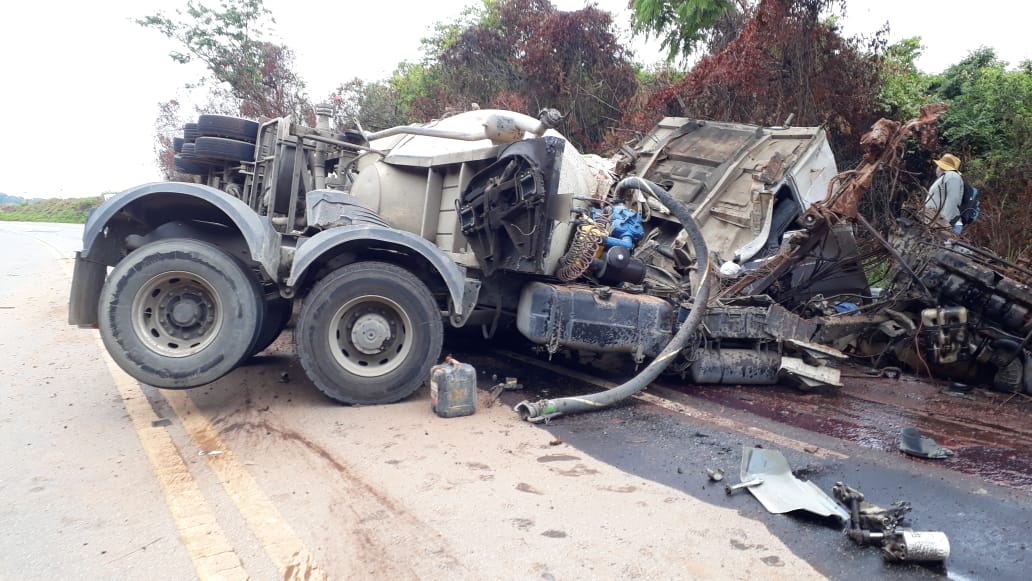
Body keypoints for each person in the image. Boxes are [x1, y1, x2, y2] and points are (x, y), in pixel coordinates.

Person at [923, 153, 965, 233]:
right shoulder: (945, 177)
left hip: (946, 225)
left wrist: (943, 225)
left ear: (942, 166)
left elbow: (952, 201)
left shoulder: (953, 177)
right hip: (936, 222)